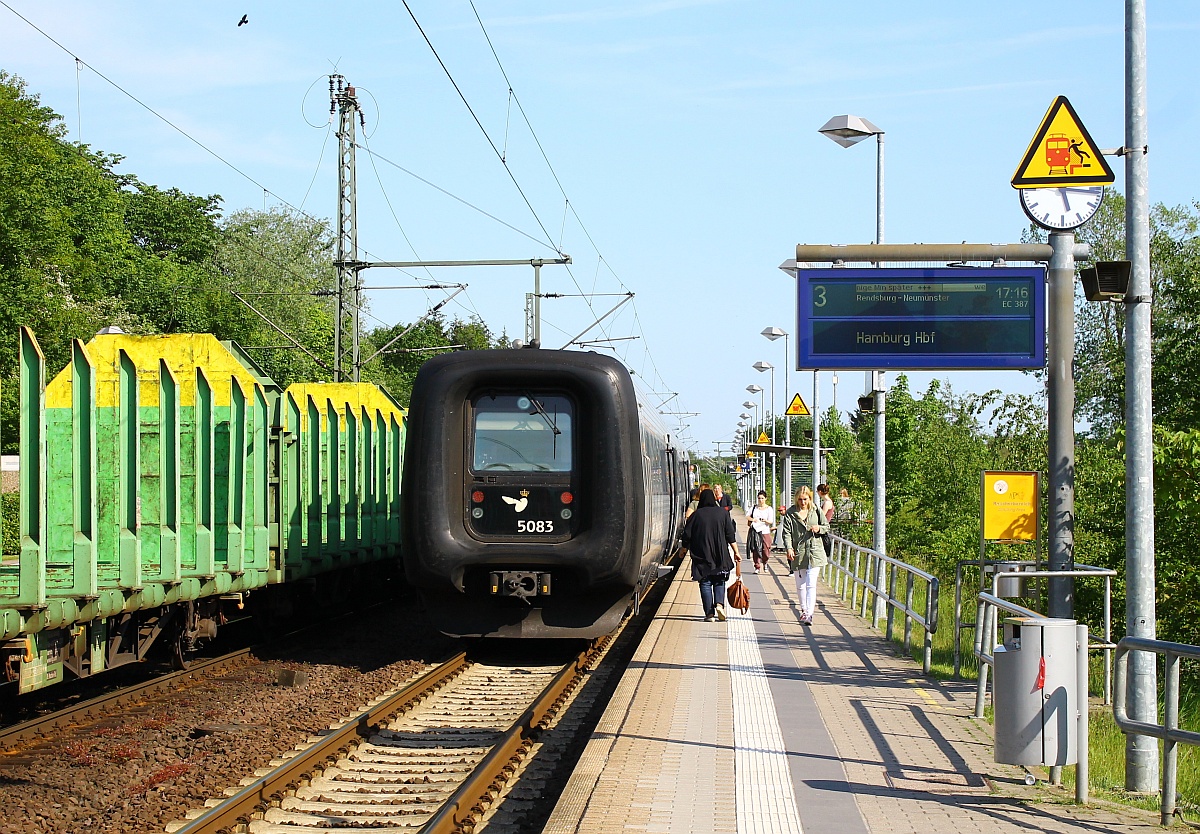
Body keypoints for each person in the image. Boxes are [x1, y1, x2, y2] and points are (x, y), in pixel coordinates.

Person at [681, 488, 738, 621]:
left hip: (701, 554)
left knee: (705, 582)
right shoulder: (722, 513)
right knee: (719, 580)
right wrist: (736, 552)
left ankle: (709, 614)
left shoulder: (696, 515)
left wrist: (683, 549)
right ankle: (719, 604)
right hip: (720, 553)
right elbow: (730, 534)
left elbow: (687, 535)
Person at [781, 485, 828, 626]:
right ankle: (803, 609)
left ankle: (809, 614)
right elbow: (786, 533)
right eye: (800, 499)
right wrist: (789, 548)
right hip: (798, 552)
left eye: (805, 499)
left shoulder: (816, 510)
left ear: (810, 498)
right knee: (800, 585)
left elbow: (826, 526)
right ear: (796, 499)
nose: (803, 502)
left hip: (815, 551)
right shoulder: (791, 513)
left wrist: (819, 528)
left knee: (811, 583)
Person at [746, 489, 775, 573]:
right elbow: (747, 516)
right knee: (756, 549)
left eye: (762, 498)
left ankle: (765, 562)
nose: (760, 500)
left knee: (766, 549)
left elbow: (771, 521)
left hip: (765, 531)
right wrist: (753, 519)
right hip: (755, 530)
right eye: (759, 498)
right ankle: (757, 566)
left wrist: (765, 520)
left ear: (765, 498)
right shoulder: (754, 507)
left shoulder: (769, 509)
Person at [816, 483, 835, 558]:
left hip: (823, 526)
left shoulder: (827, 503)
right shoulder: (828, 501)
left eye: (817, 492)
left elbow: (822, 515)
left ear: (820, 492)